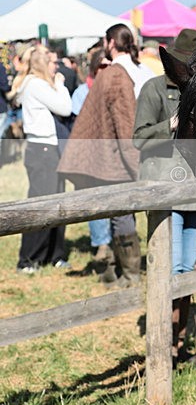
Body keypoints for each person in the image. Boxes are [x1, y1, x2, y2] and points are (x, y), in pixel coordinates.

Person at [133, 29, 196, 364]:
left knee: (187, 273)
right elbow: (138, 139)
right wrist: (173, 125)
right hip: (166, 192)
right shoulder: (153, 89)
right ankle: (162, 347)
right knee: (171, 271)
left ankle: (178, 345)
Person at [58, 24, 151, 287]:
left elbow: (124, 123)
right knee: (120, 214)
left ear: (110, 42)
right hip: (121, 157)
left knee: (118, 215)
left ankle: (125, 272)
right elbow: (125, 123)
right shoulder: (128, 72)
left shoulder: (114, 74)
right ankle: (122, 271)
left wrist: (132, 161)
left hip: (115, 157)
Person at [10, 45, 72, 273]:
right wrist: (60, 85)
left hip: (47, 148)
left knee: (57, 203)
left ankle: (53, 255)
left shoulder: (34, 84)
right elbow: (65, 108)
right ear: (42, 64)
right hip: (42, 149)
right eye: (52, 62)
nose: (56, 66)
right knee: (40, 205)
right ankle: (27, 259)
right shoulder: (35, 84)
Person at [70, 47, 113, 266]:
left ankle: (115, 244)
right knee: (96, 199)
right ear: (95, 68)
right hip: (91, 154)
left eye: (109, 66)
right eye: (102, 66)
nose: (106, 70)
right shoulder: (81, 92)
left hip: (112, 154)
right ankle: (101, 244)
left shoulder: (117, 89)